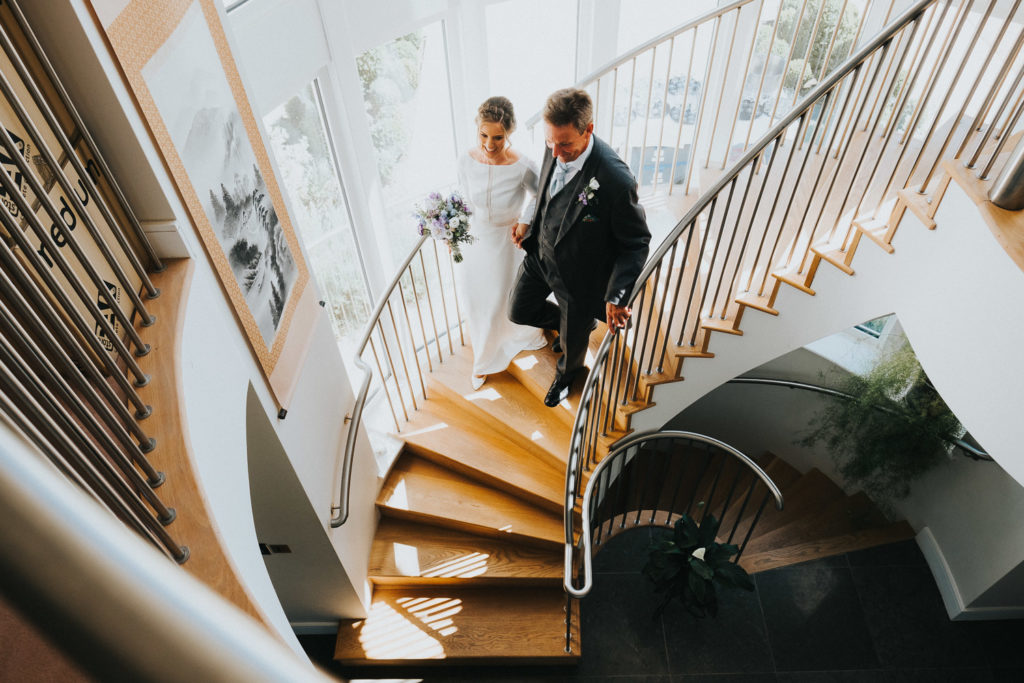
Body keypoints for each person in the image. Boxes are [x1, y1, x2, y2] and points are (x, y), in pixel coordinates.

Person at [509, 88, 651, 407]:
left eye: (565, 144)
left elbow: (636, 243)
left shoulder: (615, 179)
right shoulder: (554, 141)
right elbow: (544, 188)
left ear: (588, 130)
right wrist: (527, 219)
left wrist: (616, 296)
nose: (556, 152)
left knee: (573, 349)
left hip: (578, 277)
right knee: (517, 309)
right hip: (540, 255)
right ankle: (572, 323)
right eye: (551, 142)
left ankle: (568, 374)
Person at [455, 96, 547, 390]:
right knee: (474, 298)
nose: (490, 144)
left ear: (510, 133)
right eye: (484, 135)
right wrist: (452, 236)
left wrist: (525, 221)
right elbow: (462, 201)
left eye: (498, 137)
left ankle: (483, 360)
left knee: (497, 297)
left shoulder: (523, 166)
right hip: (474, 238)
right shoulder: (466, 160)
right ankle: (485, 346)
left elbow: (541, 196)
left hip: (505, 242)